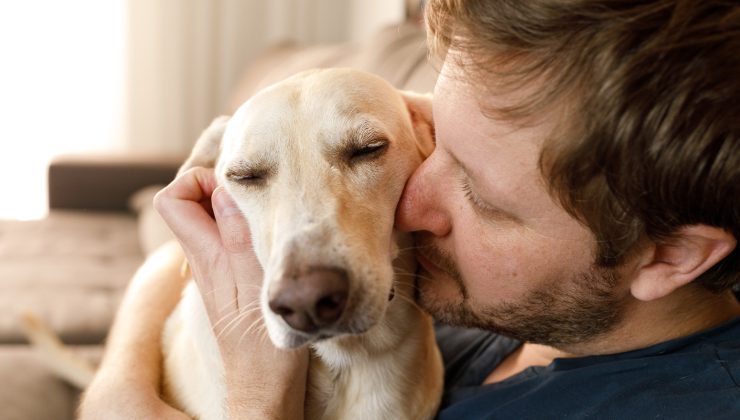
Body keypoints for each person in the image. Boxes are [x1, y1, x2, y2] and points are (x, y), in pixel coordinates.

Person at [79, 0, 740, 418]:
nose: (410, 208)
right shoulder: (492, 294)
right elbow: (178, 256)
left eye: (483, 197)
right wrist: (118, 389)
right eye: (434, 145)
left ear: (668, 253)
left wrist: (259, 394)